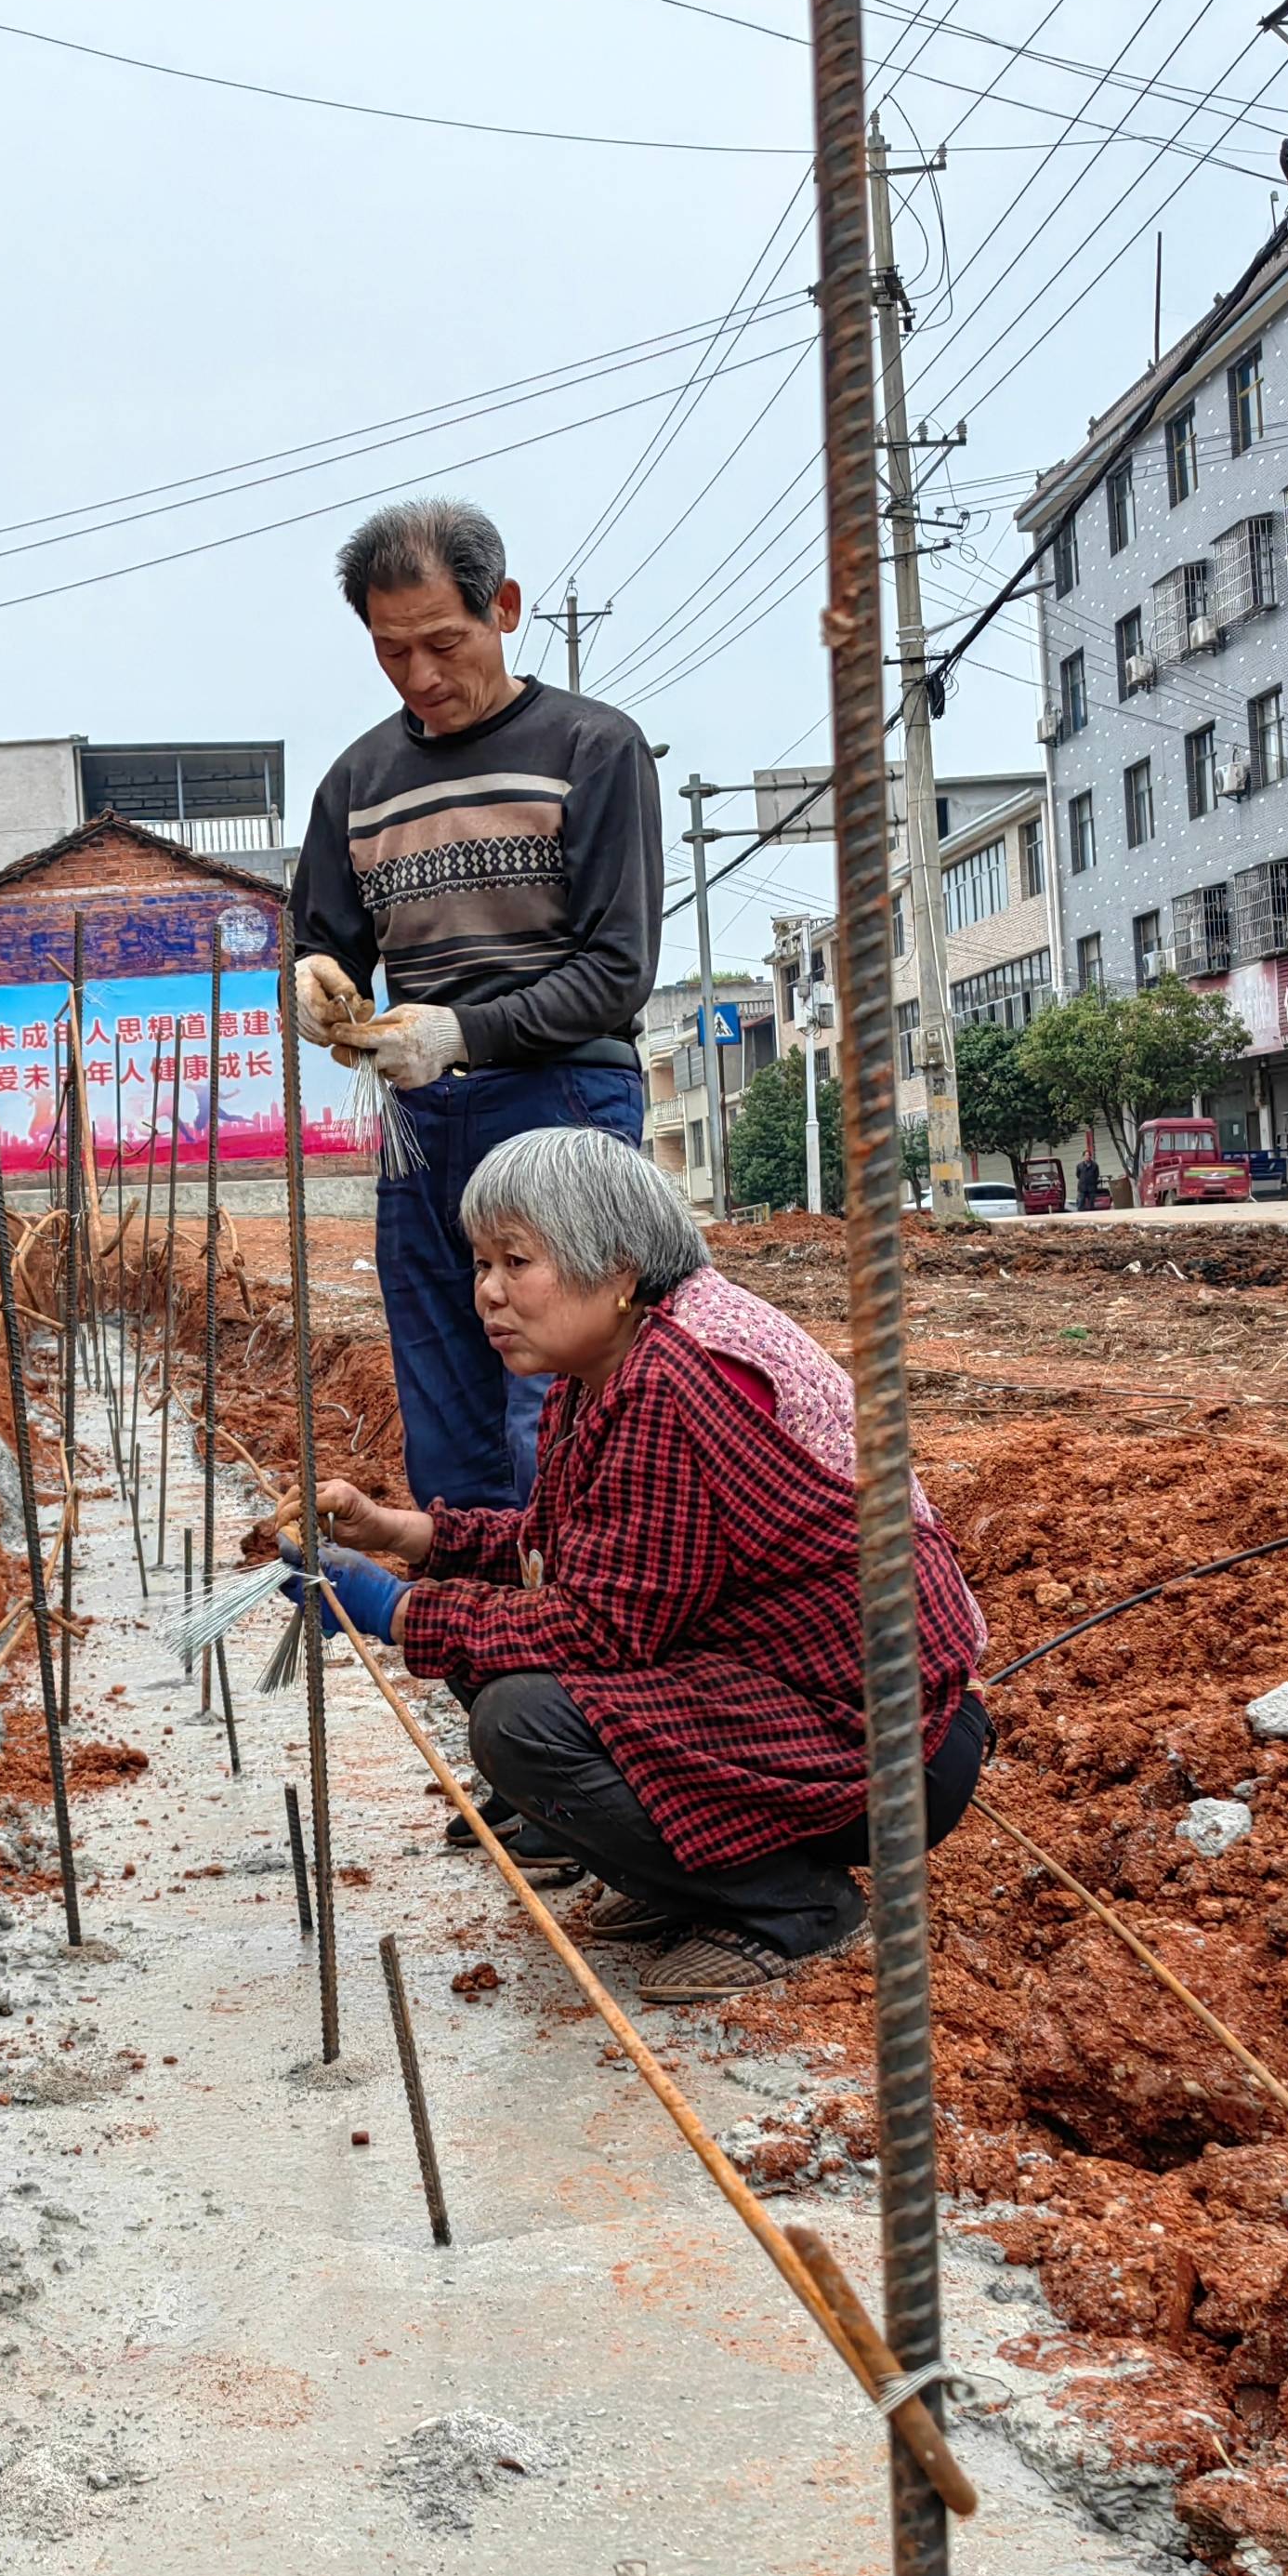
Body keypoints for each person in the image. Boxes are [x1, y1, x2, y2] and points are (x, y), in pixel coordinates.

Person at [286, 1127, 991, 2002]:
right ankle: (698, 1882)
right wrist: (398, 1534)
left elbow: (596, 1628)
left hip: (880, 1744)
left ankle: (789, 1905)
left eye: (517, 1261)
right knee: (506, 1664)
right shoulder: (609, 1366)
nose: (488, 1295)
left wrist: (396, 1613)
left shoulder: (673, 1381)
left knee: (522, 1723)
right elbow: (561, 1552)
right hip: (803, 1697)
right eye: (481, 1265)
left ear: (617, 1267)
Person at [290, 497, 660, 1516]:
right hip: (423, 1122)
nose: (420, 675)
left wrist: (463, 1031)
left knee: (552, 1395)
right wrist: (316, 980)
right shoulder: (357, 782)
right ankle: (488, 1648)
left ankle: (577, 1634)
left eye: (443, 642)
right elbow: (323, 940)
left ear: (503, 608)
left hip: (562, 1101)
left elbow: (617, 971)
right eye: (390, 650)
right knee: (442, 1395)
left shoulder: (592, 749)